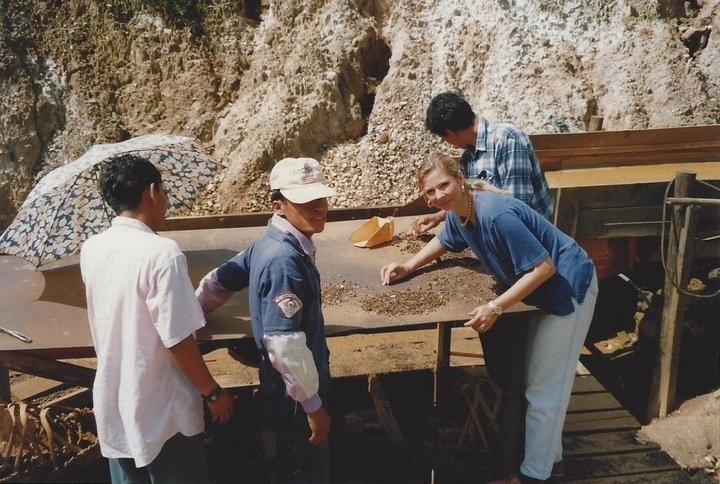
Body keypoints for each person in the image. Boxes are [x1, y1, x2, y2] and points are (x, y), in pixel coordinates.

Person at [381, 152, 597, 483]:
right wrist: (408, 266)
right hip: (538, 293)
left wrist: (496, 306)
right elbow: (445, 240)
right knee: (534, 381)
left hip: (567, 289)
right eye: (431, 192)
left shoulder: (495, 215)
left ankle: (533, 476)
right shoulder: (459, 212)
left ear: (460, 178)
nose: (439, 195)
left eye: (444, 185)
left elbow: (544, 267)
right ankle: (551, 461)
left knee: (544, 388)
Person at [80, 154, 235, 483]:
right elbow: (177, 338)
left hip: (116, 402)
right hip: (165, 411)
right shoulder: (162, 253)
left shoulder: (92, 249)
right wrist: (212, 392)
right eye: (164, 193)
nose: (166, 202)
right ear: (152, 191)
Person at [196, 157, 335, 484]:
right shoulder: (284, 261)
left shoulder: (269, 242)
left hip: (285, 388)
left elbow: (219, 280)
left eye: (321, 198)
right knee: (305, 467)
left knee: (290, 462)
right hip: (296, 395)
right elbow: (283, 345)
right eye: (305, 201)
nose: (318, 208)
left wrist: (193, 312)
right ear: (279, 206)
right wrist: (314, 408)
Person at [413, 91, 554, 233]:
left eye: (445, 138)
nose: (449, 143)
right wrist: (439, 217)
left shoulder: (506, 140)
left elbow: (517, 206)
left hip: (531, 236)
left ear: (450, 133)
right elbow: (466, 201)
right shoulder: (469, 157)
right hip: (499, 230)